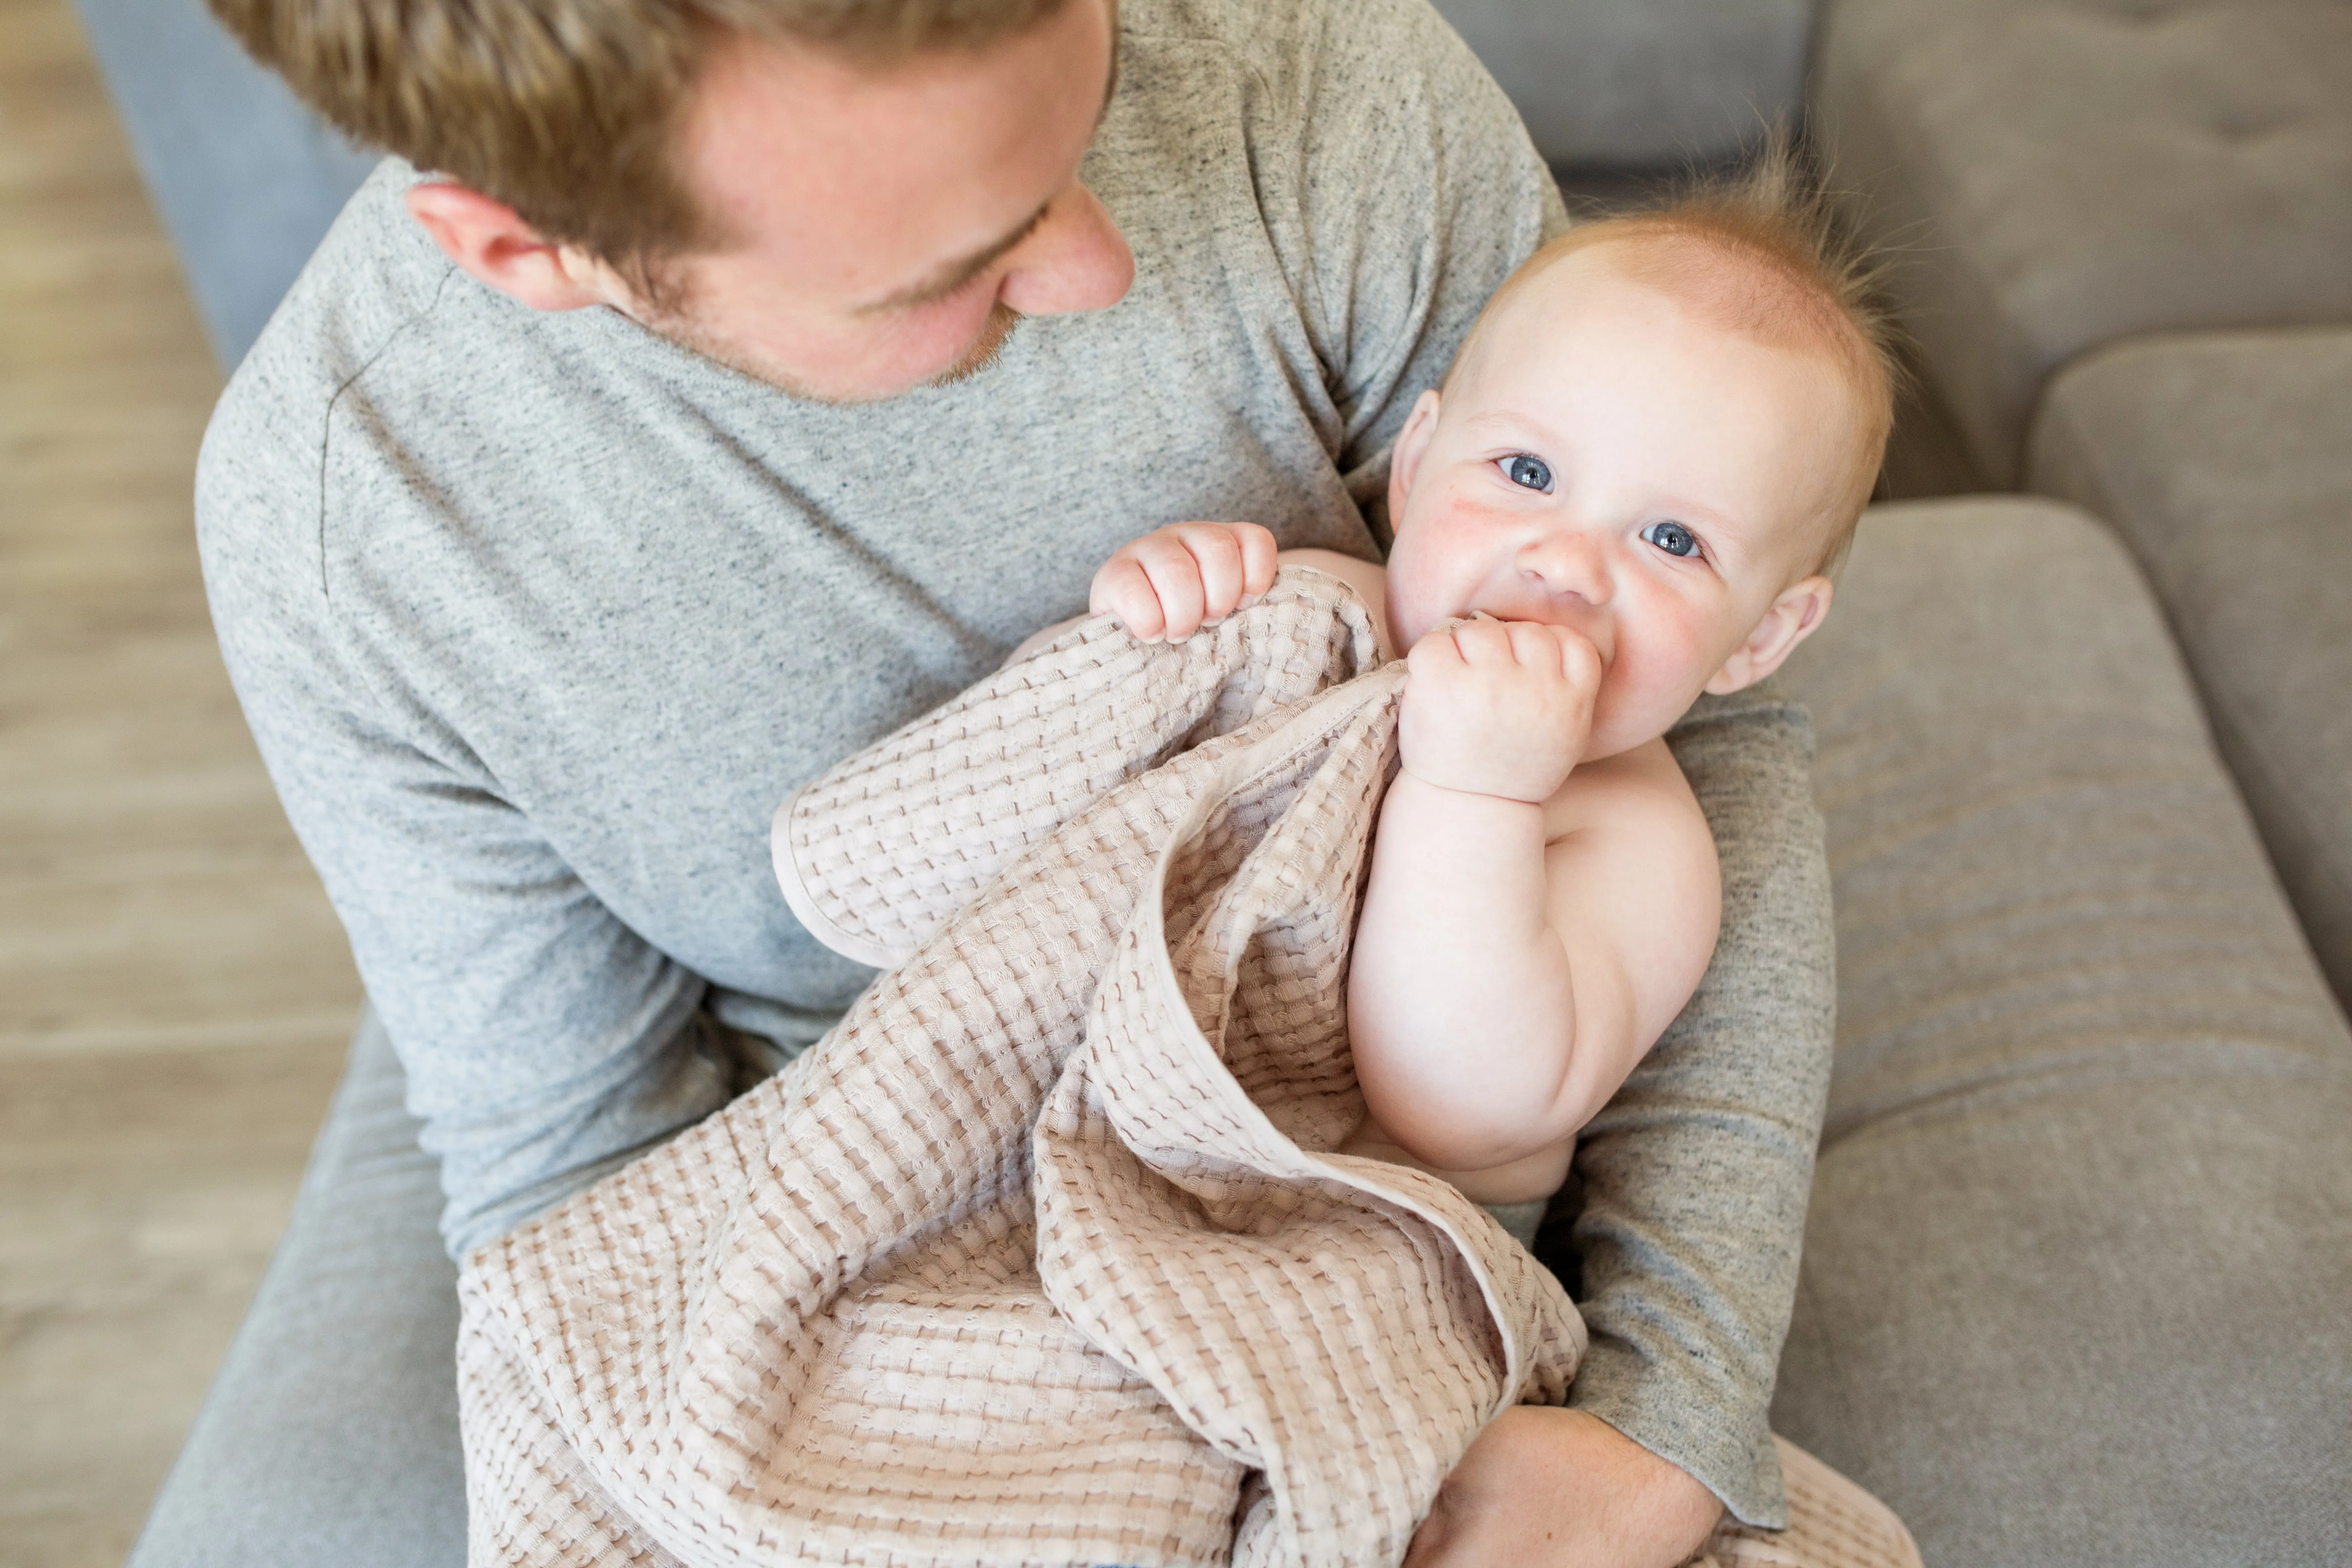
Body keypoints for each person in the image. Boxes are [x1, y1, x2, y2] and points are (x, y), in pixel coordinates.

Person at [190, 0, 1839, 1559]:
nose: (1102, 256)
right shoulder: (355, 524)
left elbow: (1692, 747)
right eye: (965, 257)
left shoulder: (1322, 84)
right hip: (887, 1202)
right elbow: (576, 1154)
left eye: (1091, 81)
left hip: (1346, 1167)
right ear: (527, 249)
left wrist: (1666, 1416)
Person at [1079, 181, 1892, 1251]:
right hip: (1119, 1121)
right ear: (1414, 473)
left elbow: (1454, 1105)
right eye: (1527, 472)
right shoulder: (1322, 605)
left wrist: (1480, 795)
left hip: (1362, 1240)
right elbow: (1087, 761)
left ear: (1761, 638)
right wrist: (1155, 599)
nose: (1566, 563)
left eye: (1673, 542)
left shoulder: (1635, 840)